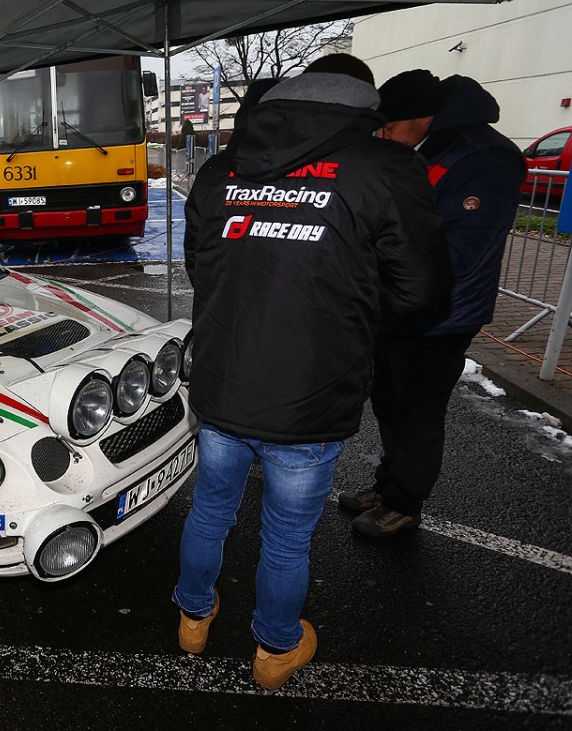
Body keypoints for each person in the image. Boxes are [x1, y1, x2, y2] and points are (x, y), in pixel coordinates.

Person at [174, 54, 452, 690]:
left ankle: (193, 618)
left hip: (223, 383)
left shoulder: (221, 170)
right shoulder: (386, 170)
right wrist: (343, 302)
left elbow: (202, 268)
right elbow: (423, 296)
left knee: (210, 511)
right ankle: (273, 652)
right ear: (361, 103)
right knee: (286, 539)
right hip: (311, 392)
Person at [339, 70, 526, 537]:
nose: (383, 135)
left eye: (389, 126)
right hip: (392, 306)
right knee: (387, 401)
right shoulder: (424, 148)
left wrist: (372, 248)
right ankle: (388, 484)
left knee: (418, 411)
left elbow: (460, 250)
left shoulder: (487, 157)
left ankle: (403, 501)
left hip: (439, 315)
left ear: (423, 119)